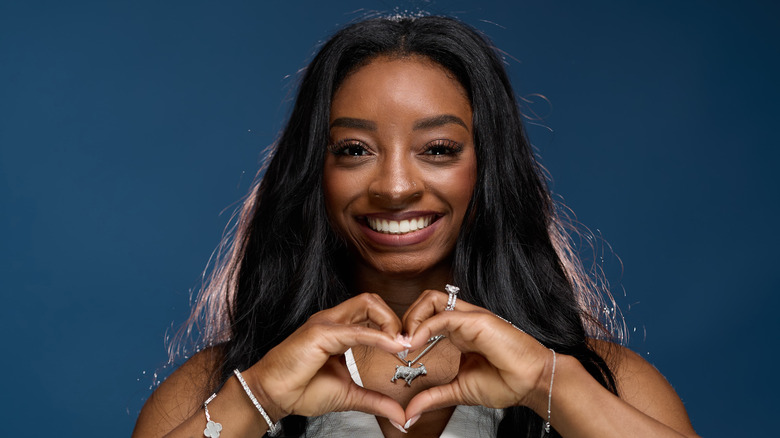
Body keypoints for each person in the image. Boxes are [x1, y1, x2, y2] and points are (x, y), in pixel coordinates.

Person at [133, 15, 699, 438]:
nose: (396, 187)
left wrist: (552, 385)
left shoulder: (608, 383)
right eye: (354, 149)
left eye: (438, 149)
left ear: (488, 170)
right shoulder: (213, 389)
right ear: (313, 174)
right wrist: (257, 398)